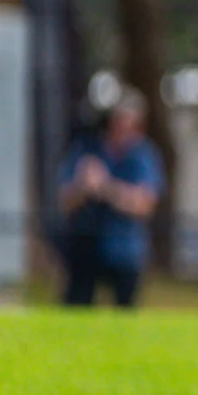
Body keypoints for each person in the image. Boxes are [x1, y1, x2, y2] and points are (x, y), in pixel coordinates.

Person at [56, 91, 163, 307]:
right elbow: (64, 202)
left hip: (125, 250)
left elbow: (144, 204)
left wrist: (105, 187)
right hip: (85, 247)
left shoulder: (143, 155)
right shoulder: (86, 149)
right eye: (117, 122)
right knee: (76, 311)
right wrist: (83, 186)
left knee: (125, 314)